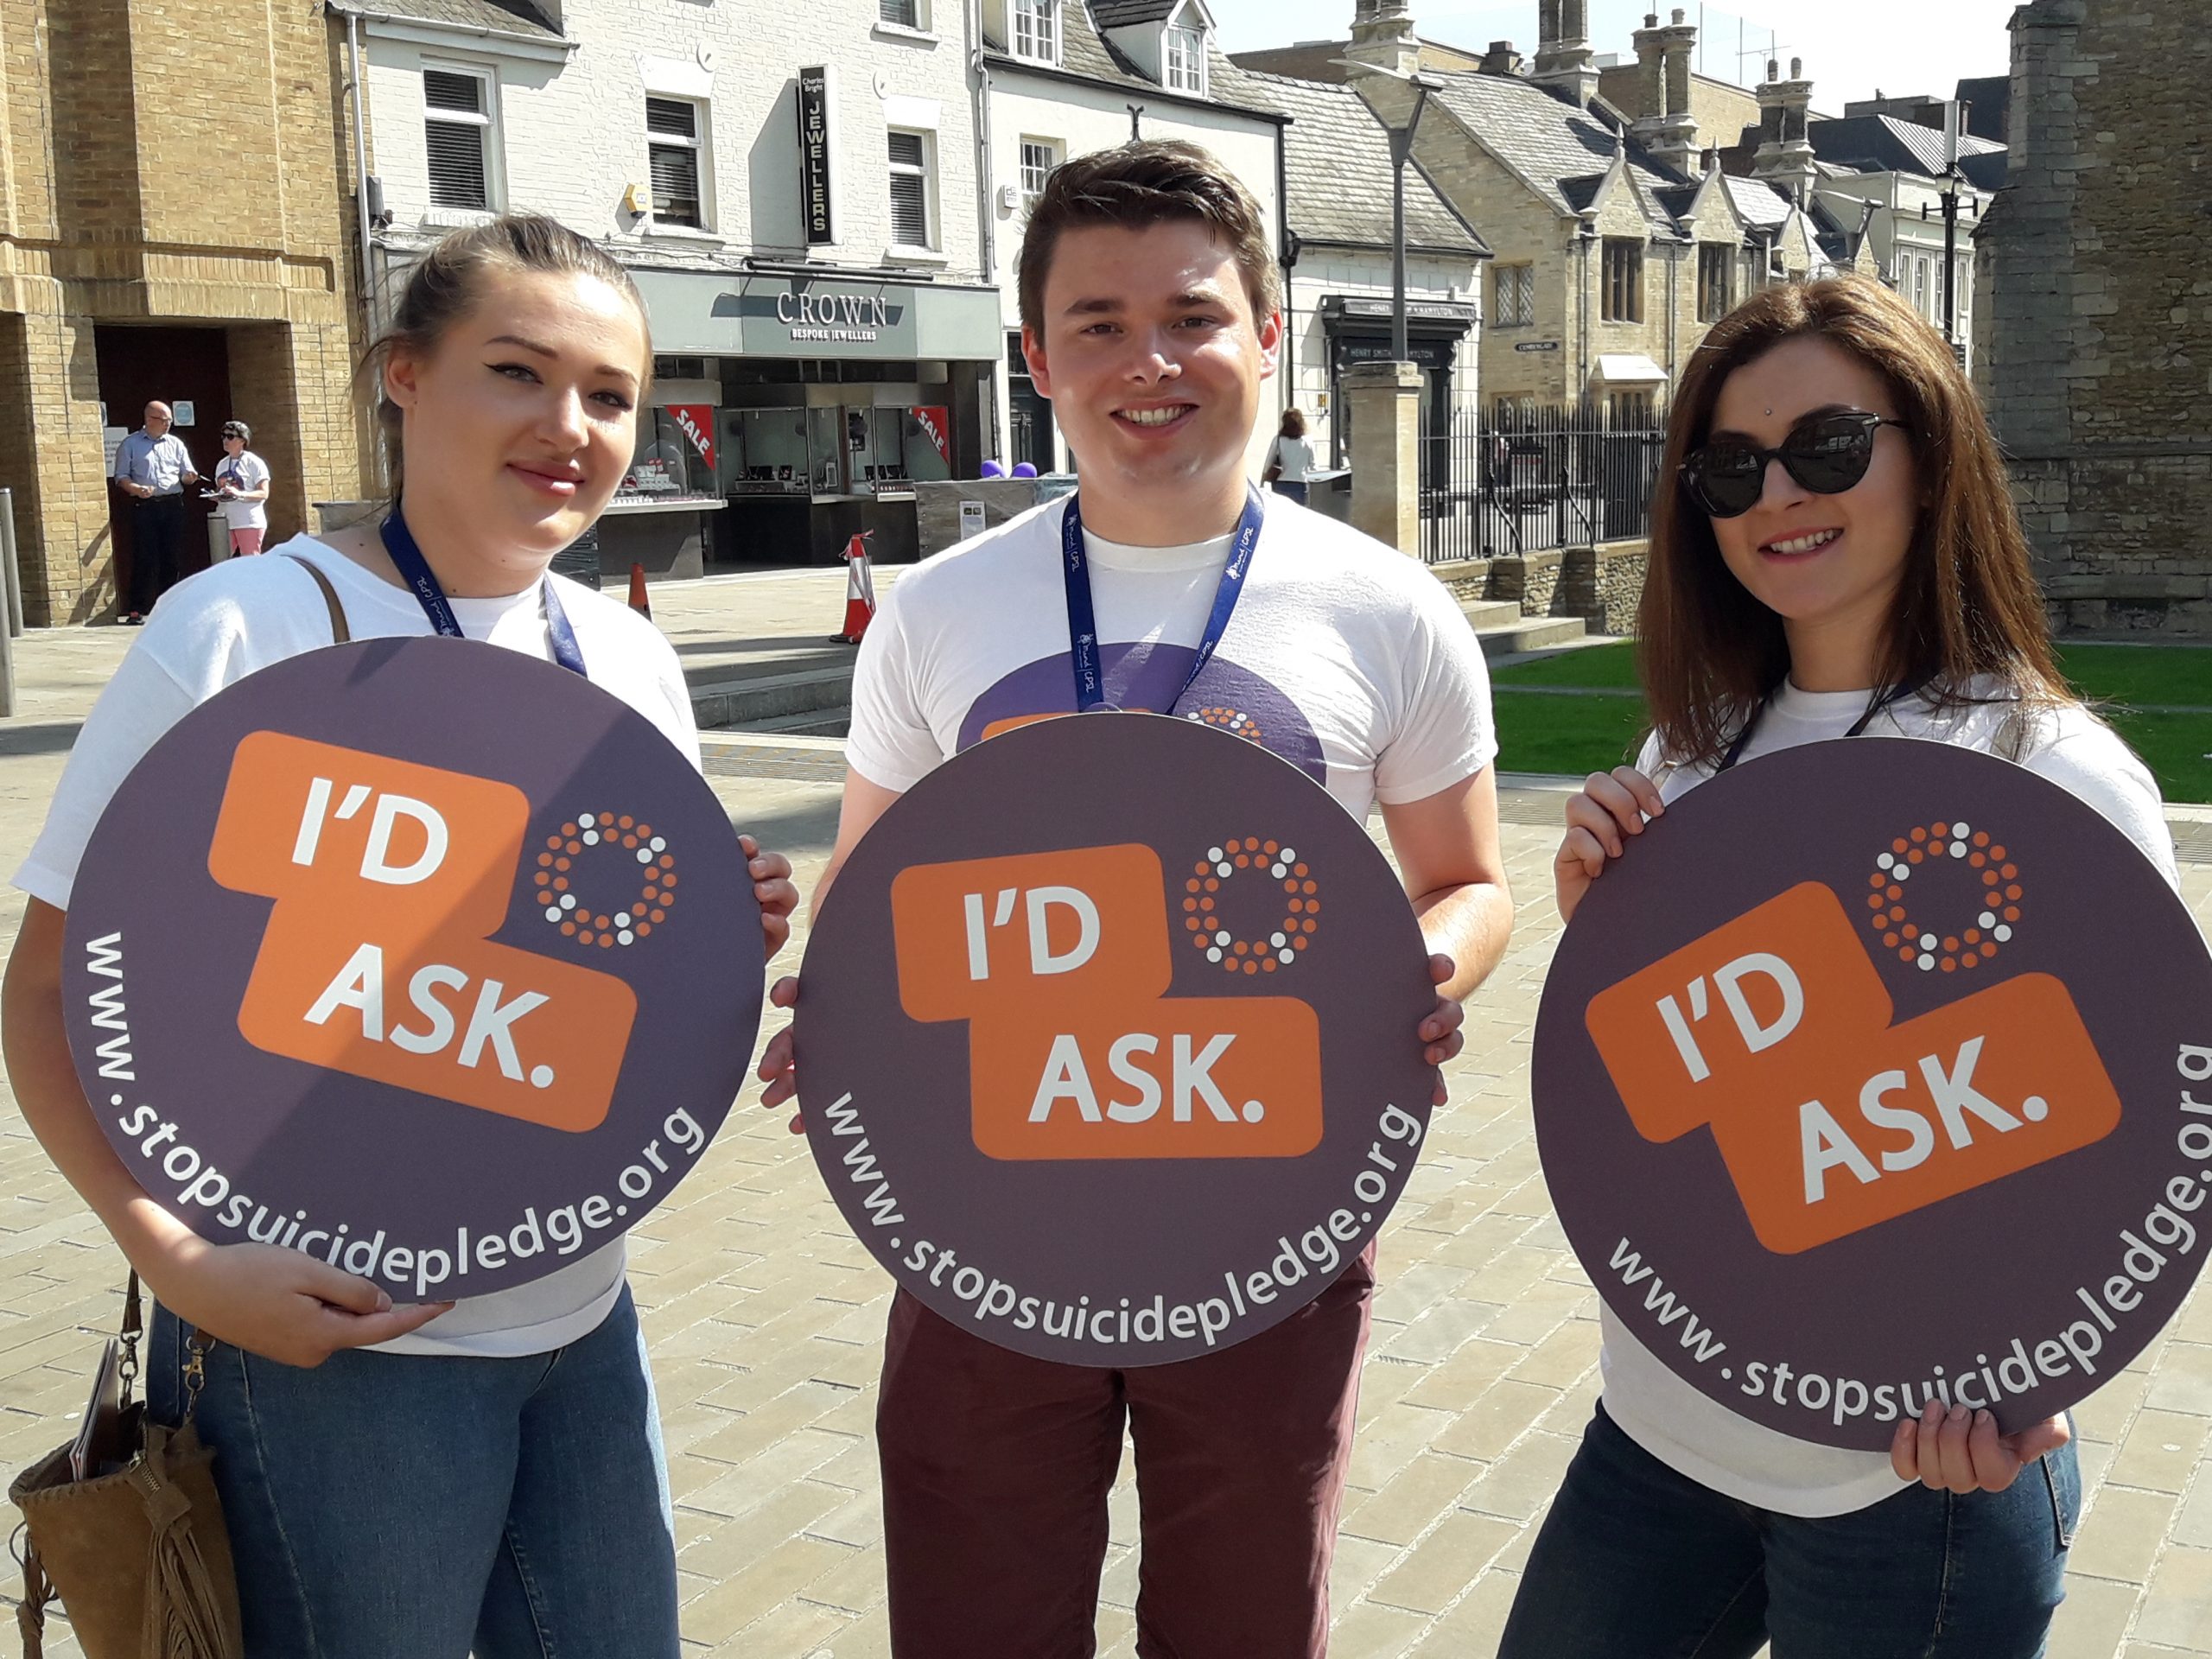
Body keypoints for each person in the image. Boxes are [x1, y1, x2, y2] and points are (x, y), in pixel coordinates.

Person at [754, 140, 1515, 1658]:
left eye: (1192, 316)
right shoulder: (941, 611)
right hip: (990, 1199)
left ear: (1269, 337)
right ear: (1037, 357)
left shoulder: (1386, 609)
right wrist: (836, 1005)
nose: (1147, 361)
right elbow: (882, 876)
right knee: (978, 1622)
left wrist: (1425, 965)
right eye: (1097, 324)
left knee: (1243, 1626)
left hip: (1266, 1202)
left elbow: (1470, 881)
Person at [2, 214, 800, 1656]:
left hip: (579, 1320)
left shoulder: (624, 652)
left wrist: (707, 934)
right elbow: (49, 991)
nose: (571, 426)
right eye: (518, 371)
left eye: (611, 396)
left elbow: (594, 981)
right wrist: (179, 1263)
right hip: (324, 1347)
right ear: (405, 377)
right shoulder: (240, 628)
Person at [1503, 274, 2176, 1658]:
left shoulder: (2045, 771)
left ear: (1928, 450)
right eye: (1730, 468)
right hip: (1663, 1431)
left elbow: (2147, 1126)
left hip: (1909, 1481)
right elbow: (1663, 1098)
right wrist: (1604, 938)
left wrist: (2046, 1382)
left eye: (1827, 445)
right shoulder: (1687, 754)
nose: (1775, 496)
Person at [111, 400, 200, 623]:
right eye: (163, 420)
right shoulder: (130, 444)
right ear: (149, 419)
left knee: (172, 557)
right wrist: (136, 489)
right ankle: (137, 609)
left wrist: (189, 477)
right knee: (145, 557)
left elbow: (186, 472)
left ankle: (170, 607)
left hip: (173, 504)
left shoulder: (176, 443)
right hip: (146, 506)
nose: (168, 424)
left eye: (170, 420)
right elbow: (121, 477)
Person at [213, 420, 272, 556]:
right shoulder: (221, 464)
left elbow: (264, 493)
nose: (225, 440)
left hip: (248, 521)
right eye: (223, 436)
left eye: (230, 436)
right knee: (222, 561)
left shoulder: (254, 462)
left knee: (249, 561)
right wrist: (217, 495)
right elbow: (220, 490)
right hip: (225, 520)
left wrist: (239, 494)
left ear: (242, 440)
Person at [1262, 405, 1315, 503]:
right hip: (1300, 483)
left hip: (1280, 482)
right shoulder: (1308, 441)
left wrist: (1263, 479)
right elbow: (1314, 466)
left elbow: (1268, 463)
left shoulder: (1278, 440)